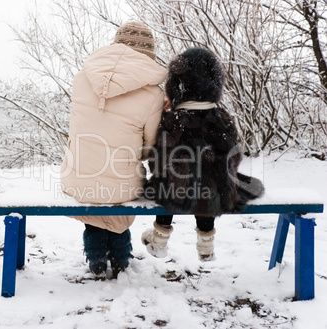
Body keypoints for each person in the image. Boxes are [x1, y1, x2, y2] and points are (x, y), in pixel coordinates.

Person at [60, 22, 167, 277]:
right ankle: (120, 256)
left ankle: (96, 254)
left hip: (77, 179)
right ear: (149, 53)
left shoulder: (82, 78)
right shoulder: (153, 93)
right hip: (122, 184)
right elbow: (148, 149)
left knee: (93, 181)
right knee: (120, 181)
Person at [142, 47, 264, 260]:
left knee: (167, 183)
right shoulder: (222, 119)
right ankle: (206, 241)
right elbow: (233, 156)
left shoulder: (173, 121)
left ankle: (160, 238)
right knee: (209, 183)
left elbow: (157, 159)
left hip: (176, 194)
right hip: (215, 194)